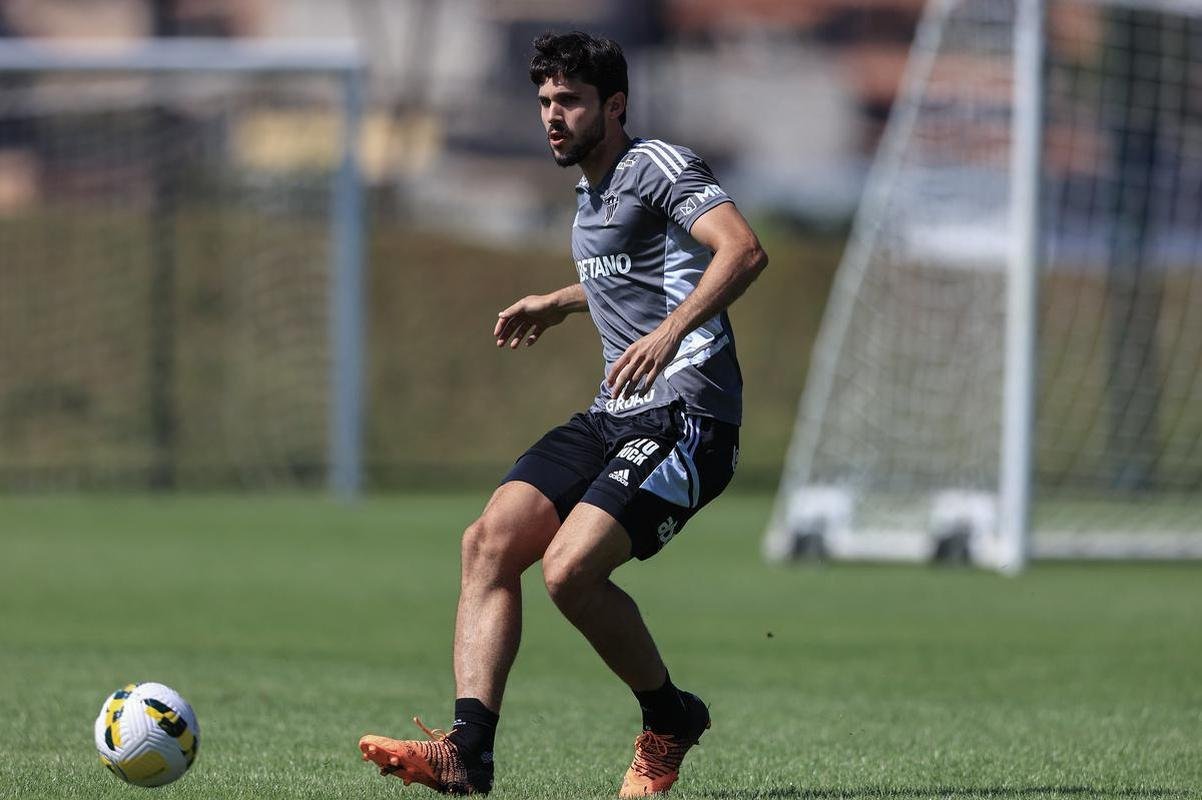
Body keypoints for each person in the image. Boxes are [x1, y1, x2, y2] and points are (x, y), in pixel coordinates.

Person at [359, 30, 768, 798]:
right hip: (614, 413)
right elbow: (639, 274)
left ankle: (668, 719)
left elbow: (741, 251)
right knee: (487, 542)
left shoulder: (657, 167)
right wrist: (560, 300)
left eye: (570, 101)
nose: (552, 114)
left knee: (570, 571)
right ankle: (467, 755)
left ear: (613, 106)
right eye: (544, 100)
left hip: (689, 419)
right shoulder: (591, 193)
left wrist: (669, 333)